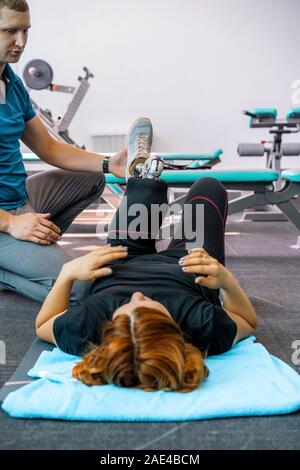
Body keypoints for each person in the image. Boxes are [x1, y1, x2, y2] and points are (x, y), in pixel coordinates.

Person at [35, 119, 257, 393]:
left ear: (110, 329)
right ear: (175, 330)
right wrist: (224, 280)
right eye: (150, 305)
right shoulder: (201, 327)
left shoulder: (87, 329)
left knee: (143, 190)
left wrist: (68, 273)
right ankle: (147, 182)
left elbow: (43, 324)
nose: (139, 296)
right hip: (189, 267)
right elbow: (247, 321)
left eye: (128, 307)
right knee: (208, 187)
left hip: (121, 259)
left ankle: (142, 177)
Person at [0, 0, 127, 303]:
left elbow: (49, 147)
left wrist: (111, 163)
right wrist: (11, 224)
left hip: (20, 200)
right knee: (82, 289)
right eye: (9, 31)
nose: (21, 42)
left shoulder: (11, 81)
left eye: (25, 31)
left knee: (92, 179)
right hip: (4, 218)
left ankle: (27, 251)